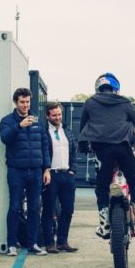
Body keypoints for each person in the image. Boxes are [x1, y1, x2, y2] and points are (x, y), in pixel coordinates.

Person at [78, 73, 135, 239]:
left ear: (97, 88)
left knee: (102, 185)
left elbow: (83, 125)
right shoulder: (124, 102)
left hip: (102, 150)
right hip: (123, 147)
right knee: (134, 179)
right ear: (116, 88)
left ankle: (104, 225)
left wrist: (83, 145)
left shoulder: (90, 102)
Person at [0, 88, 51, 256]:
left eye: (28, 102)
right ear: (16, 102)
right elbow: (5, 138)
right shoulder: (7, 121)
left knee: (34, 208)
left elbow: (44, 145)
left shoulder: (38, 121)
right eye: (22, 102)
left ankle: (33, 244)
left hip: (36, 171)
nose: (25, 105)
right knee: (15, 207)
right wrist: (19, 126)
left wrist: (47, 169)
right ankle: (12, 244)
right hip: (16, 171)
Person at [41, 102, 78, 253]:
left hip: (66, 175)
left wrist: (73, 170)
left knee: (68, 210)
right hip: (51, 175)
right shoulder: (43, 132)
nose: (58, 117)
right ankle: (50, 243)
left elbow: (74, 151)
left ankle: (63, 241)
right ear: (47, 116)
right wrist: (45, 169)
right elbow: (42, 152)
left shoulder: (67, 131)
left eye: (59, 114)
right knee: (49, 211)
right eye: (54, 115)